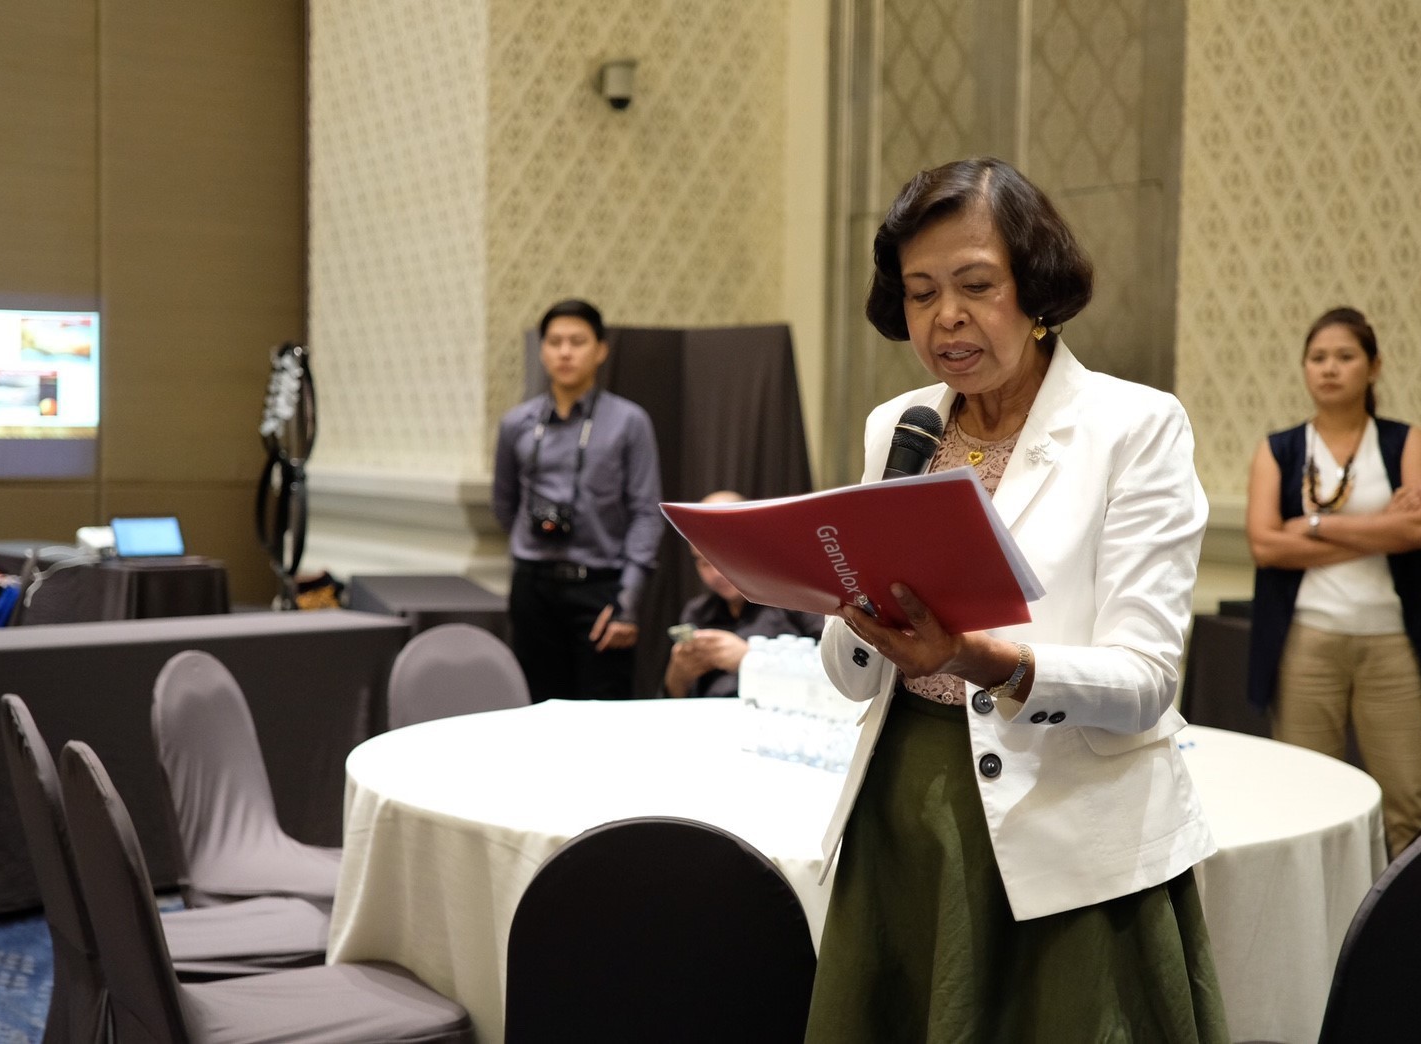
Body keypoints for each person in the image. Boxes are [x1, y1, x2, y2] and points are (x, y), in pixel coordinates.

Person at [806, 157, 1227, 1042]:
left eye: (975, 285)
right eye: (920, 293)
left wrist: (978, 658)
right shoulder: (901, 427)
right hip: (904, 814)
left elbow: (1147, 680)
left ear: (1035, 291)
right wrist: (838, 595)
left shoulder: (1133, 427)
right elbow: (850, 677)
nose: (946, 317)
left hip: (1070, 830)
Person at [1246, 307, 1421, 856]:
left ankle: (1408, 909)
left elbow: (1419, 529)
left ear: (1374, 367)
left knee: (1410, 804)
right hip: (1307, 641)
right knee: (1306, 798)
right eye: (1317, 358)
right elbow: (1265, 545)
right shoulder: (1281, 449)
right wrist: (1383, 528)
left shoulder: (1405, 442)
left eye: (1345, 356)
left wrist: (1313, 526)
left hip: (1392, 640)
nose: (1329, 368)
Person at [492, 299, 663, 701]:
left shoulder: (629, 422)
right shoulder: (516, 423)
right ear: (542, 350)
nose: (565, 352)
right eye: (555, 342)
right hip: (533, 588)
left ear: (600, 350)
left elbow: (646, 513)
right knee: (535, 707)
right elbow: (504, 504)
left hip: (600, 588)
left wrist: (627, 600)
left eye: (577, 341)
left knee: (602, 714)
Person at [662, 491, 824, 698]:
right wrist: (678, 675)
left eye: (723, 556)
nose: (716, 573)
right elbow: (673, 701)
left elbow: (839, 677)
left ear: (753, 546)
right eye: (704, 562)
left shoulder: (800, 600)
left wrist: (749, 659)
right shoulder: (698, 612)